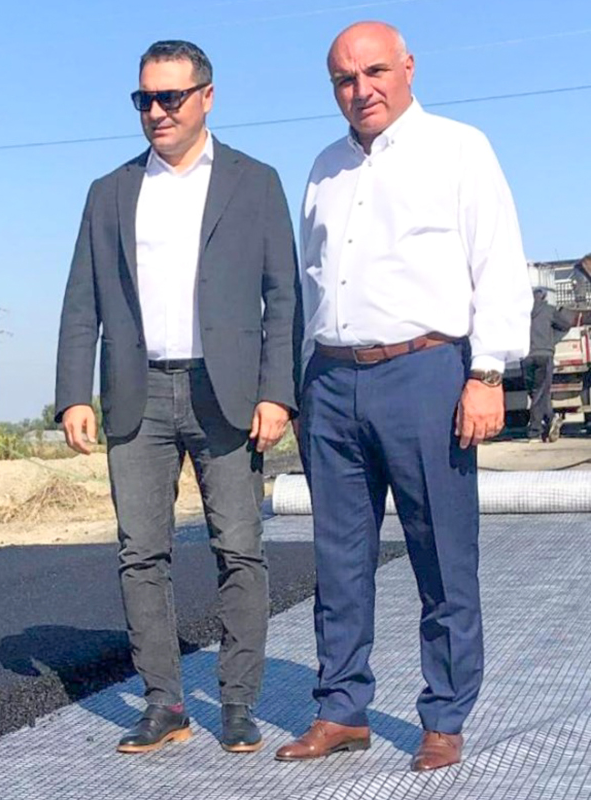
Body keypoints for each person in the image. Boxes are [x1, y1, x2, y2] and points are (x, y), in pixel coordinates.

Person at [275, 22, 532, 771]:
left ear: (408, 67)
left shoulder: (459, 149)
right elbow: (311, 281)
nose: (361, 90)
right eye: (344, 80)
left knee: (441, 554)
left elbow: (498, 264)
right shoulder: (323, 169)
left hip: (425, 374)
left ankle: (444, 716)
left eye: (375, 72)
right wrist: (301, 384)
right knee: (337, 558)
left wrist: (487, 374)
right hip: (331, 381)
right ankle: (340, 708)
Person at [55, 40, 301, 755]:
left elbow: (284, 297)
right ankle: (164, 704)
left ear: (206, 97)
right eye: (145, 99)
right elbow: (81, 300)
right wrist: (73, 394)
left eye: (170, 97)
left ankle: (237, 702)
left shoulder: (255, 183)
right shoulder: (109, 192)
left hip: (226, 392)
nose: (156, 111)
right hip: (137, 393)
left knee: (239, 548)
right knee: (141, 554)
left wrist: (277, 392)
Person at [522, 288, 571, 441]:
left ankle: (549, 420)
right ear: (543, 297)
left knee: (535, 392)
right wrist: (552, 340)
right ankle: (536, 430)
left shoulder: (522, 311)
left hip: (526, 355)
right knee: (541, 392)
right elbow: (566, 324)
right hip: (544, 354)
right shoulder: (549, 310)